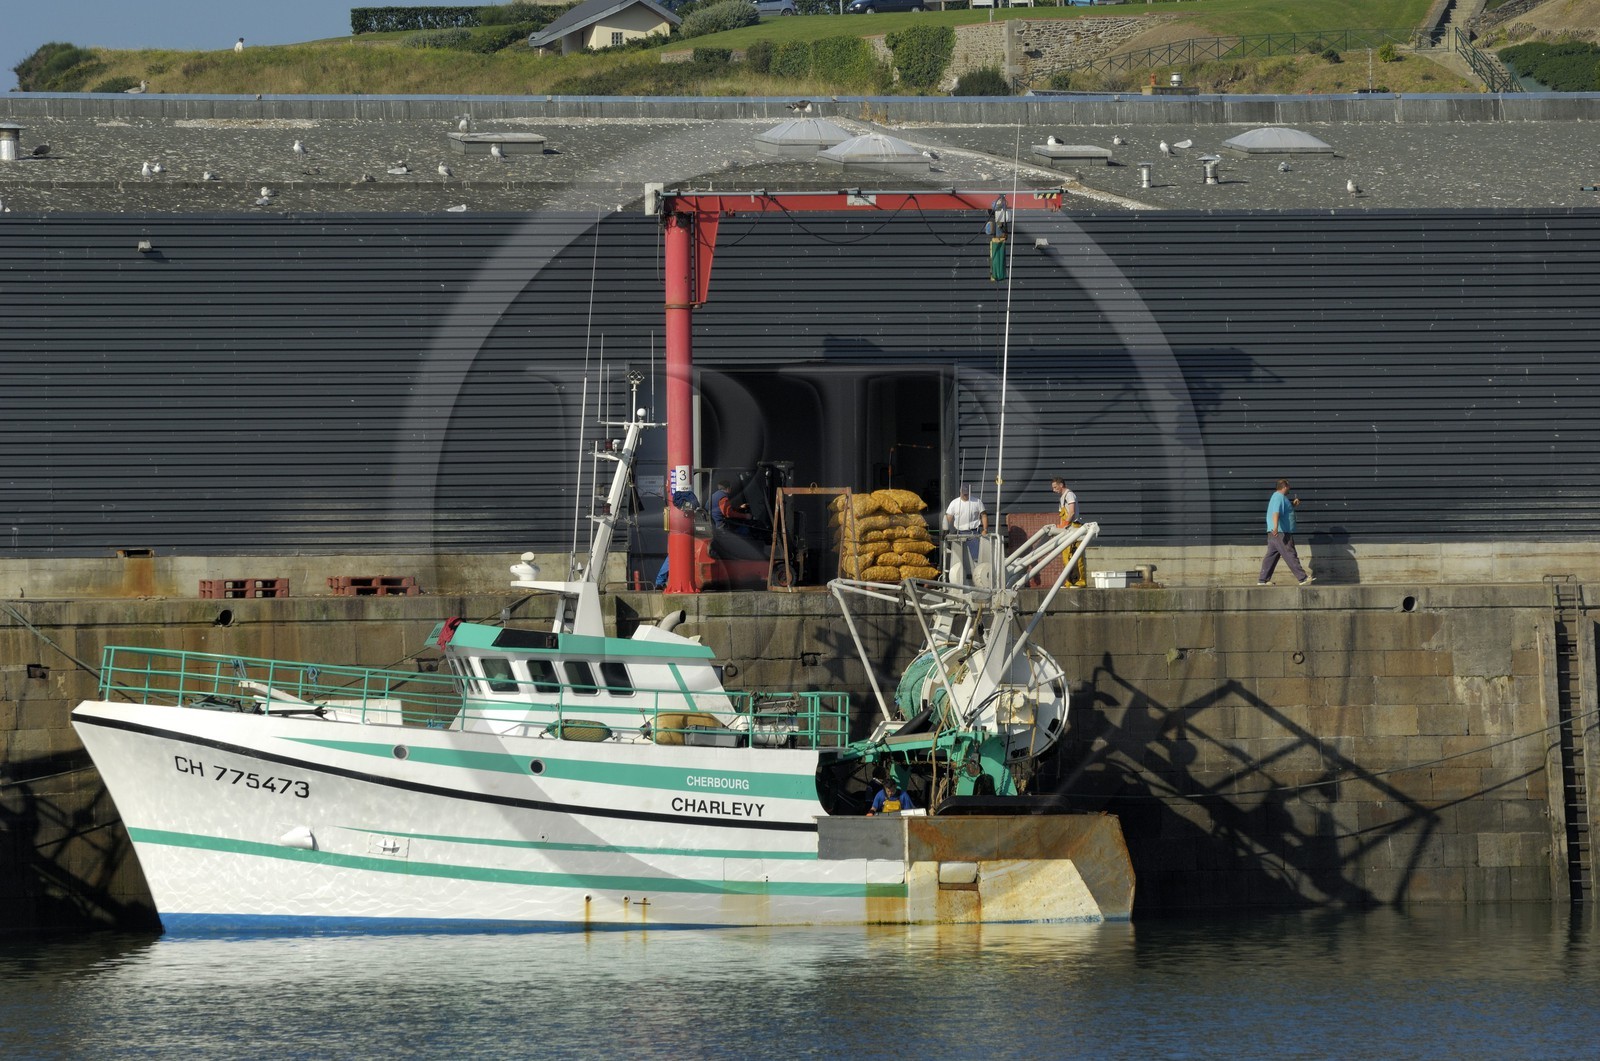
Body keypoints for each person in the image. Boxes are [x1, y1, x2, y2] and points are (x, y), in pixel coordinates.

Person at [1259, 478, 1314, 586]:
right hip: (1281, 532)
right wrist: (1275, 527)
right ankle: (1302, 578)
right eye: (1289, 486)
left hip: (1275, 532)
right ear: (1284, 487)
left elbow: (1282, 510)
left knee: (1271, 556)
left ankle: (1262, 580)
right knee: (1290, 553)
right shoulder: (1279, 497)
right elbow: (1276, 512)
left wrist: (1292, 504)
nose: (1290, 488)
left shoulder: (1278, 497)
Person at [1051, 476, 1088, 588]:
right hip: (1067, 529)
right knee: (1066, 556)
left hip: (1074, 527)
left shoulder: (1069, 495)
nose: (1053, 490)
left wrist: (1065, 524)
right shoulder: (1062, 498)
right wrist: (1060, 529)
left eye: (1055, 487)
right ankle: (1070, 581)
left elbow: (1071, 512)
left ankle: (1080, 581)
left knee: (1076, 555)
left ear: (1061, 485)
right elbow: (1062, 516)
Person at [943, 484, 987, 573]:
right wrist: (945, 530)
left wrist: (985, 529)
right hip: (959, 534)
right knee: (959, 559)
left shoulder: (977, 502)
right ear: (960, 492)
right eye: (964, 493)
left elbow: (984, 515)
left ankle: (975, 575)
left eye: (967, 493)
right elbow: (948, 517)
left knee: (975, 559)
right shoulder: (954, 503)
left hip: (973, 534)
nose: (965, 495)